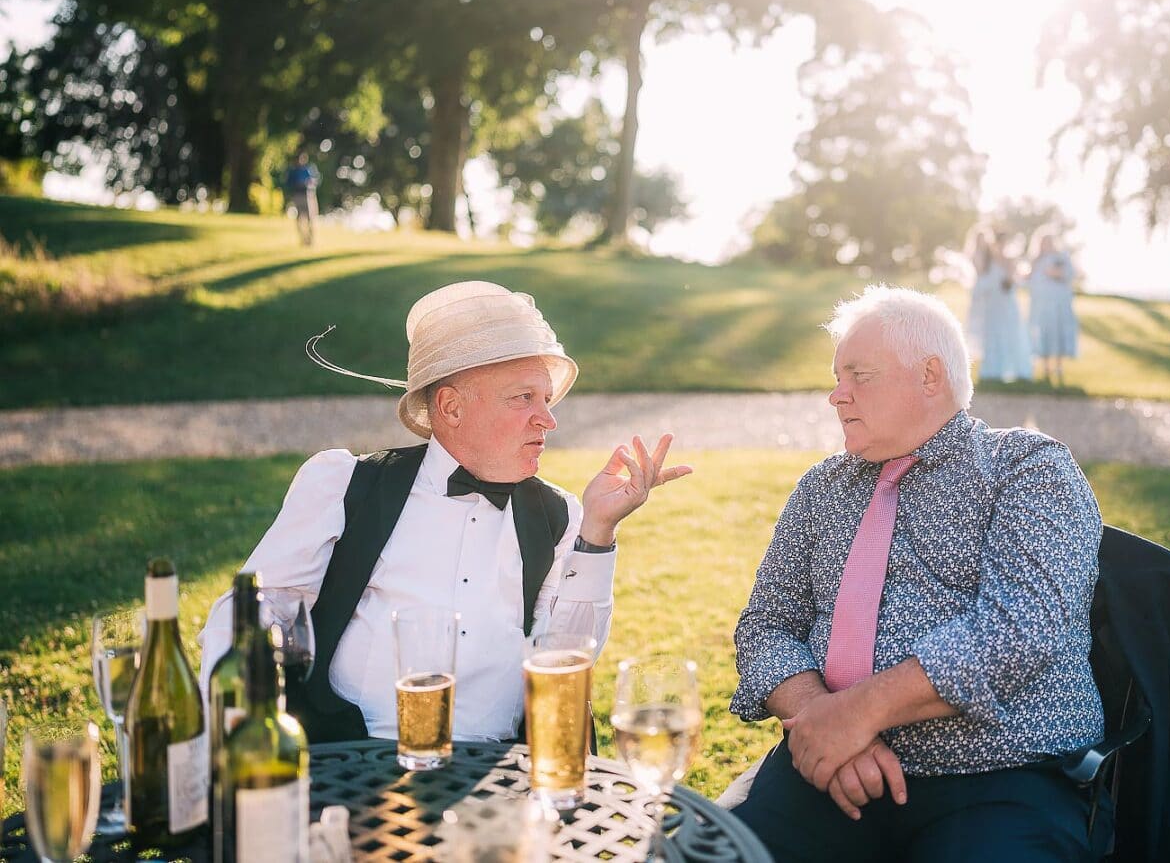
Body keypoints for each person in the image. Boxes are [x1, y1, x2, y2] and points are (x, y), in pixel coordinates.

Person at [197, 280, 691, 743]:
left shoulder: (559, 514)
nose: (549, 419)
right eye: (524, 398)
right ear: (451, 408)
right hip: (354, 759)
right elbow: (253, 608)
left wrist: (599, 532)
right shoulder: (345, 484)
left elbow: (566, 658)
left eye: (546, 399)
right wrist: (233, 721)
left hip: (495, 773)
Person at [722, 285, 1106, 862]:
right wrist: (826, 727)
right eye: (836, 377)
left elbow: (1020, 628)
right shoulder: (823, 487)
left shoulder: (1026, 467)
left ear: (930, 376)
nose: (836, 396)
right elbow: (765, 627)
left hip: (996, 778)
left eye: (859, 376)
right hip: (831, 776)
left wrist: (858, 713)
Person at [966, 225, 1033, 382]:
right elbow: (981, 272)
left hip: (1006, 301)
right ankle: (992, 371)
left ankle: (1017, 370)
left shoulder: (1008, 259)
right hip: (991, 303)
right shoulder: (986, 259)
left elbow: (1012, 279)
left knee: (1012, 332)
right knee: (993, 334)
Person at [1026, 227, 1079, 385]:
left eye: (1048, 241)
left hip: (1059, 304)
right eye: (1043, 242)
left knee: (1059, 333)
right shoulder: (1036, 261)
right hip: (1041, 306)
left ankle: (1059, 367)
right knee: (1044, 335)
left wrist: (1056, 273)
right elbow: (1030, 279)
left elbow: (1070, 274)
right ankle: (1046, 368)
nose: (1046, 245)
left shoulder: (1061, 257)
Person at [284, 151, 320, 246]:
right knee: (299, 218)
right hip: (297, 196)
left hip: (308, 196)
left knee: (310, 218)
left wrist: (310, 183)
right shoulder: (293, 171)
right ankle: (302, 240)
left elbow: (316, 181)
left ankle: (309, 240)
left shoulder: (309, 169)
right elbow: (288, 183)